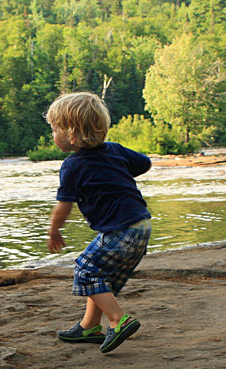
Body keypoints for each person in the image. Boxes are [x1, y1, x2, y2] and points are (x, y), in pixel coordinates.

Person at [45, 92, 152, 354]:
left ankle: (118, 321)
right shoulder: (114, 150)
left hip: (121, 230)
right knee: (98, 274)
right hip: (140, 225)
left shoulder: (73, 165)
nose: (52, 135)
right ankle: (89, 326)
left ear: (71, 134)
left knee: (85, 269)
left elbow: (64, 204)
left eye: (54, 129)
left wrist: (54, 229)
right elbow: (145, 163)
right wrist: (116, 172)